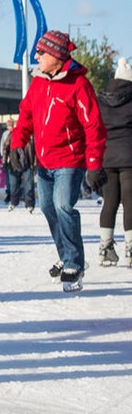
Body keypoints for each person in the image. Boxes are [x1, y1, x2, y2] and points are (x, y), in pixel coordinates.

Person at [11, 30, 106, 292]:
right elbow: (26, 115)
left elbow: (94, 126)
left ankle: (74, 262)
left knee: (63, 206)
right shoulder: (39, 84)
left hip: (69, 159)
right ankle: (66, 257)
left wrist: (95, 162)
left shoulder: (78, 85)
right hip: (44, 161)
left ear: (56, 55)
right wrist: (18, 144)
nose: (36, 56)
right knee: (48, 209)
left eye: (41, 52)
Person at [93, 57, 132, 267]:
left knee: (110, 202)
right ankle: (131, 248)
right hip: (129, 157)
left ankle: (105, 248)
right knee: (130, 202)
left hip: (107, 157)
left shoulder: (102, 100)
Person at [0, 118, 15, 204]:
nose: (10, 127)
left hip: (15, 159)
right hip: (8, 159)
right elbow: (2, 146)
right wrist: (3, 157)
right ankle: (9, 193)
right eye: (9, 126)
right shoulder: (5, 134)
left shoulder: (16, 133)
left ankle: (16, 193)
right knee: (8, 177)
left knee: (15, 177)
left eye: (11, 125)